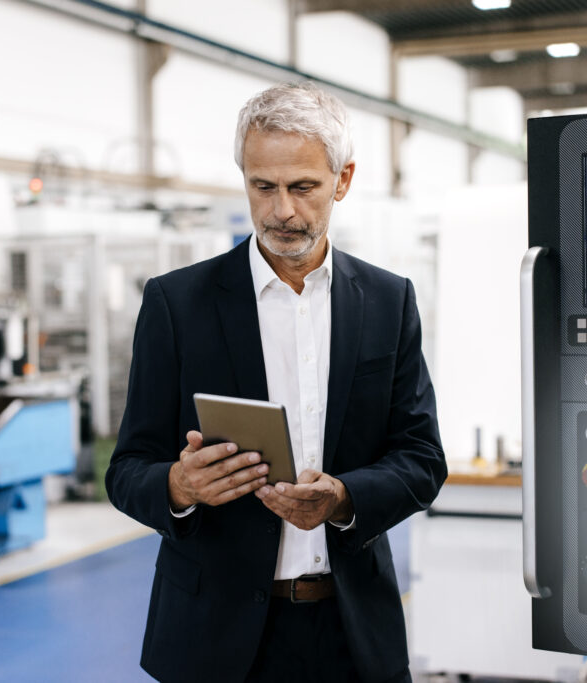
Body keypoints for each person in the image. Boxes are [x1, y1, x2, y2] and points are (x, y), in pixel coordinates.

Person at [106, 82, 446, 683]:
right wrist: (179, 486)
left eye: (302, 187)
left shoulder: (388, 301)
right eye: (262, 186)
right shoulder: (177, 304)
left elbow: (421, 459)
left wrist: (343, 498)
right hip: (214, 639)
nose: (281, 210)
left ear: (342, 181)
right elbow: (128, 468)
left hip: (352, 632)